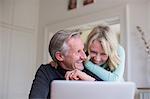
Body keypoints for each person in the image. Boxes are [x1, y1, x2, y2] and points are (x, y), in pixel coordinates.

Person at [29, 30, 102, 99]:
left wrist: (89, 79)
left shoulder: (87, 67)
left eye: (83, 50)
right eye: (78, 51)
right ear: (60, 56)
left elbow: (108, 94)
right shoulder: (46, 71)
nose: (84, 57)